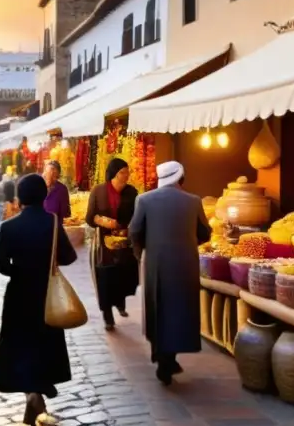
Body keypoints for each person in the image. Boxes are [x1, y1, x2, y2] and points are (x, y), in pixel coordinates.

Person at [0, 174, 77, 426]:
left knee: (20, 344)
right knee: (44, 342)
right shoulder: (52, 222)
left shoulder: (9, 227)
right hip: (46, 293)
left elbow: (1, 265)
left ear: (21, 197)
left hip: (19, 294)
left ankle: (31, 393)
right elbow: (69, 256)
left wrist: (20, 270)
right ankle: (37, 390)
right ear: (43, 195)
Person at [130, 161, 211, 385]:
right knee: (178, 310)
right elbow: (205, 232)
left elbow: (134, 231)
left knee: (158, 307)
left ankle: (162, 356)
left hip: (155, 263)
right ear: (181, 178)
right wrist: (190, 242)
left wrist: (141, 253)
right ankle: (168, 358)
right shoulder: (194, 201)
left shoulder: (144, 200)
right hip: (185, 264)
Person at [85, 158, 139, 331]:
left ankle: (120, 302)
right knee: (106, 278)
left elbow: (137, 216)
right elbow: (90, 217)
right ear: (114, 173)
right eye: (123, 172)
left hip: (125, 242)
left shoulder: (132, 192)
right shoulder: (99, 191)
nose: (126, 175)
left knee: (124, 276)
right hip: (104, 243)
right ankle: (107, 316)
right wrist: (103, 221)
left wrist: (127, 228)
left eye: (127, 171)